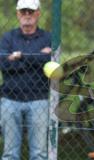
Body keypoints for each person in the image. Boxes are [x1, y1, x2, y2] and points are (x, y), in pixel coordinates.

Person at [0, 0, 51, 159]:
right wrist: (37, 57)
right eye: (23, 12)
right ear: (17, 14)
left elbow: (50, 62)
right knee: (9, 153)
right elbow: (4, 65)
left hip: (39, 100)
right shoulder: (7, 38)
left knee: (39, 154)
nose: (27, 15)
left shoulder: (48, 37)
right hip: (10, 100)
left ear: (38, 13)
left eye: (30, 11)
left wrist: (20, 56)